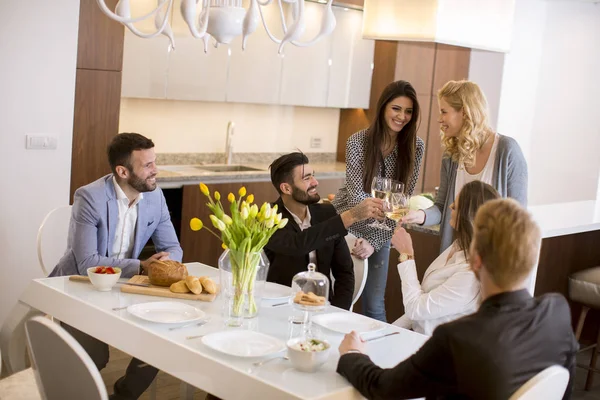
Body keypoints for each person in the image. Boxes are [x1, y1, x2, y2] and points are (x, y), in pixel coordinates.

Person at [336, 198, 578, 400]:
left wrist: (352, 355)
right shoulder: (556, 312)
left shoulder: (457, 339)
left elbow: (383, 388)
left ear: (476, 261)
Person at [49, 133, 183, 400]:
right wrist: (143, 266)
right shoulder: (90, 197)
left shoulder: (155, 197)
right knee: (94, 358)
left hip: (128, 287)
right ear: (123, 171)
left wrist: (165, 263)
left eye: (155, 162)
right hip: (81, 285)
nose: (155, 170)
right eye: (147, 165)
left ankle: (123, 396)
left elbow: (173, 248)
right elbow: (88, 262)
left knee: (162, 342)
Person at [332, 80, 425, 321]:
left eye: (408, 111)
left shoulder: (416, 147)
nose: (402, 116)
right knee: (340, 300)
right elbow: (355, 194)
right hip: (347, 224)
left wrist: (374, 241)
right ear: (384, 107)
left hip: (382, 231)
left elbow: (402, 203)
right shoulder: (357, 141)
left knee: (374, 306)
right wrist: (364, 231)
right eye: (396, 108)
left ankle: (380, 359)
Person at [402, 80, 528, 253]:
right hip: (456, 256)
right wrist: (420, 216)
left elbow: (518, 219)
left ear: (465, 112)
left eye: (444, 112)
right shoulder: (451, 155)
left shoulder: (507, 150)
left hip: (492, 260)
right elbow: (442, 207)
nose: (439, 119)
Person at [265, 152, 385, 310]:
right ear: (286, 188)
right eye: (306, 178)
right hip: (282, 308)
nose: (315, 182)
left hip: (323, 309)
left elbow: (344, 274)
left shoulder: (326, 214)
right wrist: (351, 215)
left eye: (313, 176)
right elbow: (298, 245)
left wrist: (337, 313)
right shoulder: (268, 217)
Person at [391, 180, 499, 335]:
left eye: (457, 204)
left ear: (469, 215)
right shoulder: (458, 246)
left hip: (436, 350)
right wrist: (387, 330)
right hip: (415, 337)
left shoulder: (470, 276)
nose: (451, 206)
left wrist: (406, 255)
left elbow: (415, 308)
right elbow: (420, 301)